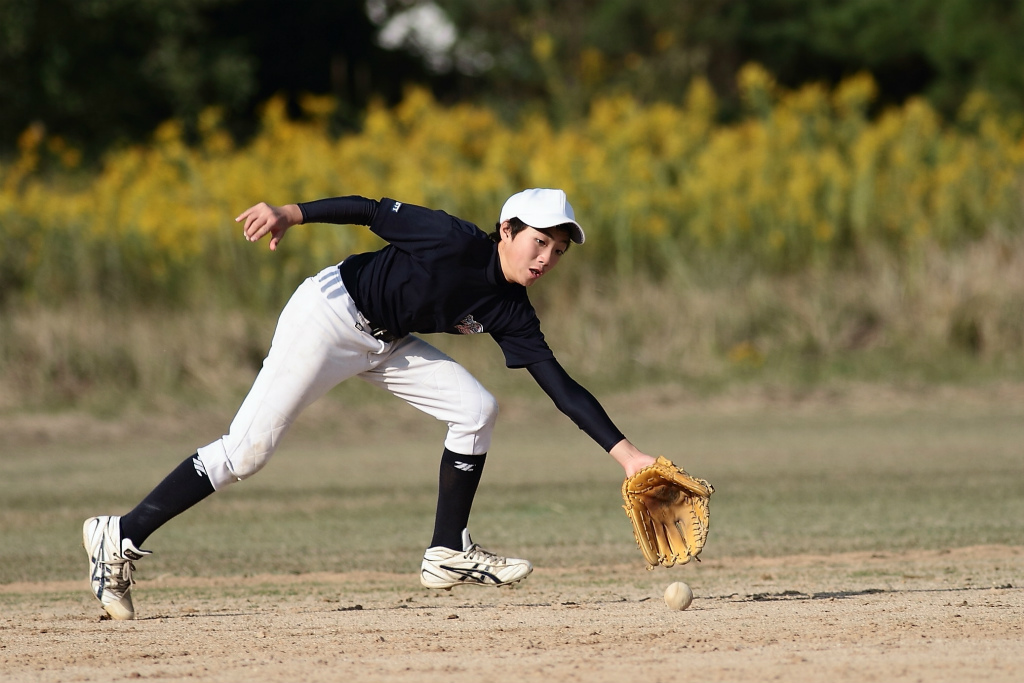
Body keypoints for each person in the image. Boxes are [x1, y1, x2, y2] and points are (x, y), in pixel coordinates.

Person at [83, 188, 658, 620]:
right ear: (506, 229)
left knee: (477, 409)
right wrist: (290, 213)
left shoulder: (511, 308)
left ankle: (446, 549)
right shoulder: (452, 239)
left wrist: (629, 458)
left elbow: (559, 386)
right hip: (329, 315)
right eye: (539, 242)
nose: (546, 260)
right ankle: (120, 533)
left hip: (385, 342)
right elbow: (370, 209)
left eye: (558, 252)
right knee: (247, 452)